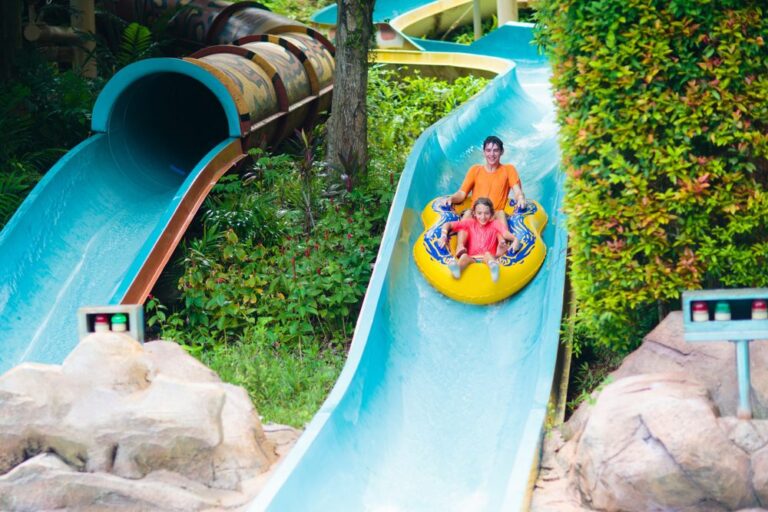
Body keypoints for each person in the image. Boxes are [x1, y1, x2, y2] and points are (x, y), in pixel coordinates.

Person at [443, 135, 525, 258]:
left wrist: (520, 198)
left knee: (500, 213)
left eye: (495, 150)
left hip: (495, 213)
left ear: (501, 152)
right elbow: (462, 194)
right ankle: (460, 246)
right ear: (484, 152)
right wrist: (452, 198)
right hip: (476, 213)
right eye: (488, 150)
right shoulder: (475, 170)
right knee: (468, 213)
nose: (491, 154)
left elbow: (517, 190)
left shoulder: (508, 170)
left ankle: (502, 246)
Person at [438, 197, 520, 282]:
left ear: (492, 214)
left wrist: (515, 239)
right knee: (464, 256)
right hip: (472, 258)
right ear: (474, 213)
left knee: (487, 255)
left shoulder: (495, 224)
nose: (483, 217)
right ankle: (457, 269)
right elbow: (448, 224)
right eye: (479, 213)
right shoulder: (469, 223)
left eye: (486, 213)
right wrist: (443, 236)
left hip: (489, 257)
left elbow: (505, 233)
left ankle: (493, 267)